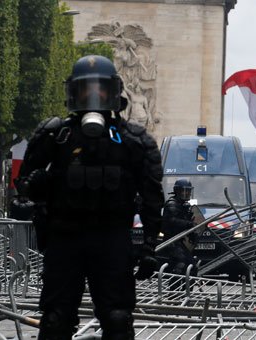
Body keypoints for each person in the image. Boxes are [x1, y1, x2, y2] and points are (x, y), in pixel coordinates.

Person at [16, 55, 164, 340]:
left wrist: (149, 246)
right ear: (74, 93)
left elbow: (151, 198)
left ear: (113, 92)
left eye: (100, 90)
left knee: (118, 319)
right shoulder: (54, 134)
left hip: (111, 239)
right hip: (65, 238)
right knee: (56, 320)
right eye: (86, 90)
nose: (93, 96)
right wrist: (37, 185)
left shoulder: (135, 141)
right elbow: (23, 186)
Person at [162, 179, 197, 276]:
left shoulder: (183, 205)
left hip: (180, 240)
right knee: (180, 263)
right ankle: (174, 288)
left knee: (192, 266)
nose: (186, 194)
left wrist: (192, 233)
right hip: (171, 241)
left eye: (188, 191)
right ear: (177, 191)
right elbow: (172, 221)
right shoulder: (172, 203)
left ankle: (188, 290)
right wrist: (188, 224)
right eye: (184, 191)